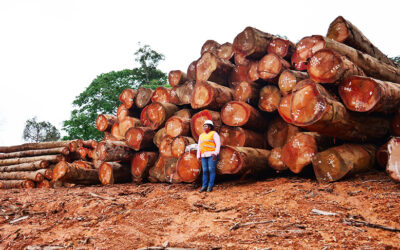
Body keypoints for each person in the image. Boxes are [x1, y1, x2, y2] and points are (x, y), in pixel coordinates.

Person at [197, 120, 221, 192]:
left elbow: (218, 144)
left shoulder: (214, 134)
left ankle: (210, 186)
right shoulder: (201, 135)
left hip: (212, 155)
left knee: (211, 170)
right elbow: (199, 146)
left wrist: (216, 153)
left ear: (210, 127)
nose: (204, 127)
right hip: (204, 155)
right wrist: (198, 155)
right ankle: (204, 186)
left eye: (206, 126)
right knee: (205, 171)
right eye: (204, 126)